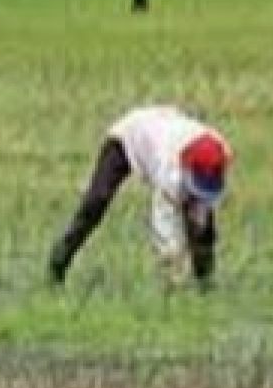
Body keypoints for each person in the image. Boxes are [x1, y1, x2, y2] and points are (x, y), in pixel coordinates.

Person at [48, 104, 233, 289]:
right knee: (96, 202)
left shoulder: (221, 150)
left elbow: (202, 207)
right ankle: (58, 264)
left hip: (166, 128)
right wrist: (172, 270)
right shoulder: (169, 171)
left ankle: (205, 284)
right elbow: (164, 222)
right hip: (127, 136)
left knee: (202, 225)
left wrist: (200, 222)